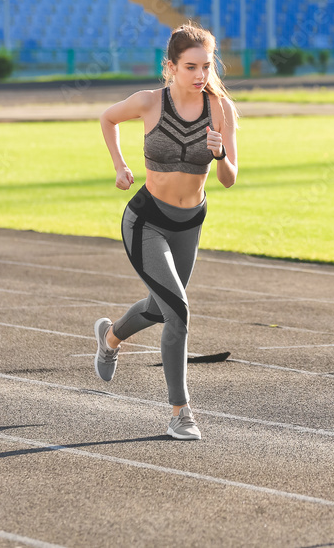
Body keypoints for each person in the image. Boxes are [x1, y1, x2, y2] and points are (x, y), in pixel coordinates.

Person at [95, 23, 238, 440]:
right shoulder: (149, 102)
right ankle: (180, 412)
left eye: (206, 66)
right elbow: (107, 118)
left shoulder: (220, 109)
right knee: (179, 312)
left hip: (190, 223)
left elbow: (228, 178)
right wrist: (119, 165)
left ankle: (111, 337)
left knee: (161, 310)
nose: (200, 75)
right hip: (146, 221)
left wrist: (221, 153)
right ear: (170, 66)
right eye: (191, 66)